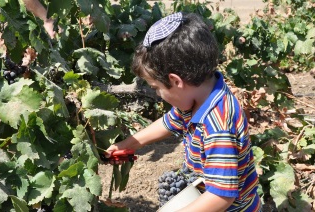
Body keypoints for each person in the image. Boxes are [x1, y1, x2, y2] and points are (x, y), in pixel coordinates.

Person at [106, 12, 262, 212]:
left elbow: (221, 197)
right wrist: (127, 145)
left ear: (176, 81)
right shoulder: (201, 95)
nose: (157, 93)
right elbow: (168, 122)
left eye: (155, 87)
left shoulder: (218, 126)